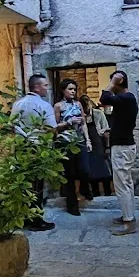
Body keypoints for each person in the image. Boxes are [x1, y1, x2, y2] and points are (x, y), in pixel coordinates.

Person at [12, 73, 77, 231]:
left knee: (24, 183)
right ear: (37, 87)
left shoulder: (17, 104)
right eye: (45, 86)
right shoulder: (44, 105)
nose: (47, 89)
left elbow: (12, 125)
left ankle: (24, 217)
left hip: (22, 147)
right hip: (38, 148)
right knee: (37, 185)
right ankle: (36, 220)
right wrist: (66, 125)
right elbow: (51, 128)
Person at [100, 70, 138, 235]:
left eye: (115, 83)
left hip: (122, 148)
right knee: (126, 184)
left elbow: (104, 99)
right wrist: (112, 129)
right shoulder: (126, 100)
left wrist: (113, 81)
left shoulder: (126, 97)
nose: (112, 87)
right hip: (125, 145)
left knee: (122, 185)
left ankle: (129, 222)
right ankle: (128, 216)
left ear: (120, 82)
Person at [54, 78, 93, 215]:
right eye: (70, 89)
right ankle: (72, 206)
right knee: (69, 175)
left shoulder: (78, 104)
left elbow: (83, 123)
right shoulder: (58, 106)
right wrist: (68, 122)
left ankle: (84, 189)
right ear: (63, 90)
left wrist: (88, 140)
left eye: (74, 89)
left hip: (79, 141)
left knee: (85, 170)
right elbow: (55, 127)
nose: (73, 91)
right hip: (65, 143)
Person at [82, 94, 113, 197]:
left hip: (99, 144)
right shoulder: (80, 116)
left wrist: (107, 147)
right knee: (91, 171)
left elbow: (106, 130)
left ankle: (107, 193)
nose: (86, 109)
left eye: (87, 106)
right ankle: (96, 194)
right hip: (88, 145)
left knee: (104, 170)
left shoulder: (98, 114)